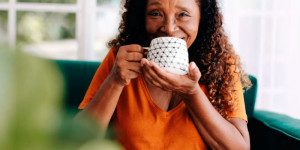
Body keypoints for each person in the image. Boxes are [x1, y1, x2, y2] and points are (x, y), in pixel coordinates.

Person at [76, 0, 252, 149]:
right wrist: (115, 80)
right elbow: (77, 141)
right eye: (155, 13)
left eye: (182, 14)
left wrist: (192, 94)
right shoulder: (120, 60)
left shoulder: (221, 65)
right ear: (141, 17)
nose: (169, 29)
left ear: (201, 18)